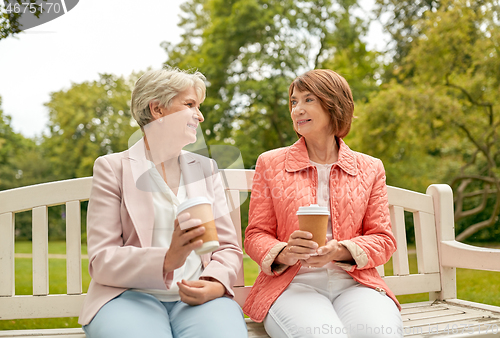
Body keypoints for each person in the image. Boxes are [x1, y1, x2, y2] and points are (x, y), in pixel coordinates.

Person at [78, 68, 247, 338]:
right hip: (128, 297)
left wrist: (214, 283)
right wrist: (167, 259)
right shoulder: (112, 168)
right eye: (190, 105)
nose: (200, 116)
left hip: (198, 297)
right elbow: (103, 259)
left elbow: (227, 247)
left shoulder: (206, 168)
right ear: (157, 110)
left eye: (198, 106)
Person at [243, 69, 403, 338]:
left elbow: (383, 239)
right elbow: (255, 235)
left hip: (356, 284)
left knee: (381, 334)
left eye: (308, 100)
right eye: (294, 102)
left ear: (334, 105)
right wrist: (285, 252)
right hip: (291, 285)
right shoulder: (270, 163)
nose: (297, 110)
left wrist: (339, 250)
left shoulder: (370, 167)